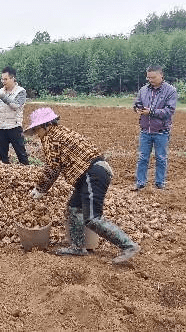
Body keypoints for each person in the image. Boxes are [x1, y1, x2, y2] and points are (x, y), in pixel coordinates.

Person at [25, 107, 140, 264]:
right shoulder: (62, 132)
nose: (37, 134)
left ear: (45, 125)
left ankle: (128, 245)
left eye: (37, 130)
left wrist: (40, 189)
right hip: (90, 173)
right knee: (74, 208)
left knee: (92, 218)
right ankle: (78, 247)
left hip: (91, 174)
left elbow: (53, 168)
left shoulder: (51, 137)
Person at [132, 65, 177, 191]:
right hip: (145, 130)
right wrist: (137, 108)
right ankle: (140, 183)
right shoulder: (144, 90)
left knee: (161, 158)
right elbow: (137, 103)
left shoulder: (170, 91)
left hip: (161, 131)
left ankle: (160, 183)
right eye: (148, 77)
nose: (150, 80)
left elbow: (169, 111)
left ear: (161, 75)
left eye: (153, 77)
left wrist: (151, 112)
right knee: (142, 158)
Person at [0, 66, 29, 165]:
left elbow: (15, 105)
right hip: (1, 127)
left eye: (5, 79)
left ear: (13, 78)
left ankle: (27, 173)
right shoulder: (0, 91)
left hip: (14, 126)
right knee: (2, 157)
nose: (3, 81)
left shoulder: (21, 91)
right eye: (2, 79)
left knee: (21, 155)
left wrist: (2, 96)